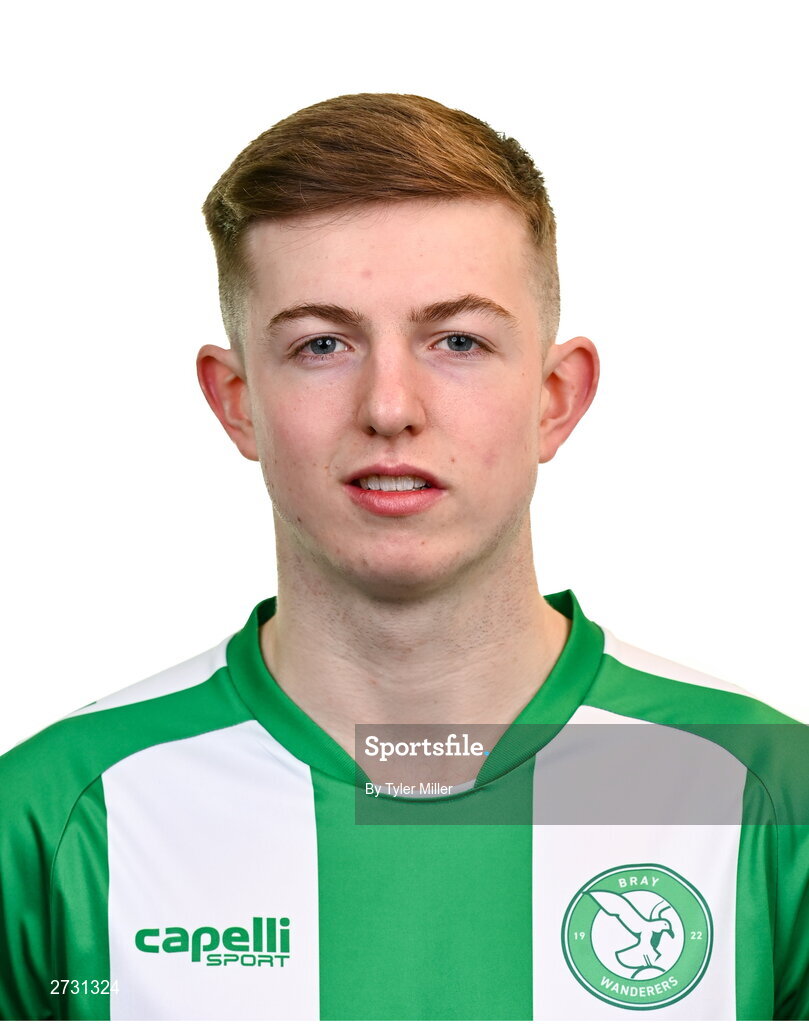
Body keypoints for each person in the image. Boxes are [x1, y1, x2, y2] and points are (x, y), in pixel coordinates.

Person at [0, 92, 806, 1022]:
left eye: (457, 340)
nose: (390, 406)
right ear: (235, 401)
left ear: (554, 396)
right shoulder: (54, 820)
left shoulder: (769, 794)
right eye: (322, 344)